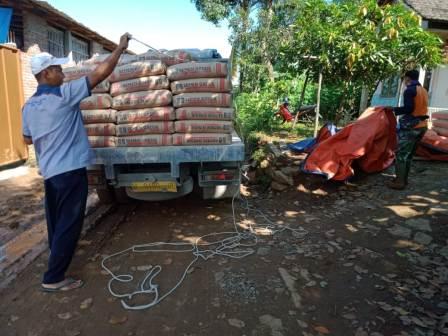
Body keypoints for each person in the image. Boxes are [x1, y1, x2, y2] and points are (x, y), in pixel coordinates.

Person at [22, 33, 131, 292]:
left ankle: (55, 260)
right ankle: (53, 278)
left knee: (57, 222)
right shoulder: (63, 95)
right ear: (46, 73)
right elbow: (100, 73)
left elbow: (26, 139)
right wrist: (119, 49)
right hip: (70, 172)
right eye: (58, 69)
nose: (62, 73)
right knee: (70, 225)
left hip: (50, 173)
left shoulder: (28, 107)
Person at [387, 69, 429, 190]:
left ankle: (399, 182)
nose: (405, 81)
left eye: (405, 79)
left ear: (408, 78)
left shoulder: (409, 90)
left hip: (412, 126)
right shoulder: (423, 90)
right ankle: (402, 179)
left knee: (401, 155)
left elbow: (408, 108)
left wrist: (394, 110)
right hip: (422, 126)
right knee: (409, 155)